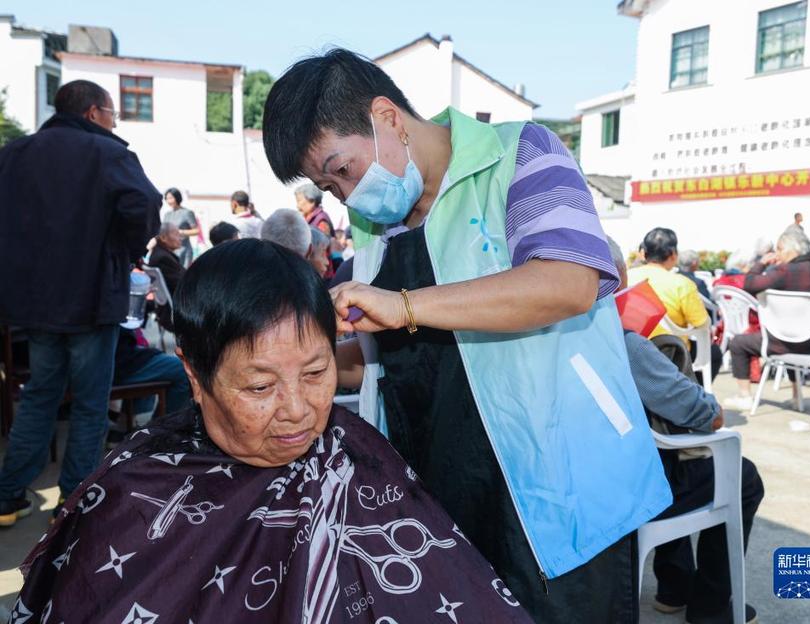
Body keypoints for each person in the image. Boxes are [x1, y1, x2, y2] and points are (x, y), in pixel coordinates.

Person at [262, 48, 671, 622]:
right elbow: (385, 361)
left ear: (387, 117)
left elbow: (570, 280)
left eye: (343, 170)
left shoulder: (520, 153)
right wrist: (303, 358)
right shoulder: (374, 228)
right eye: (329, 187)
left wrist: (405, 305)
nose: (347, 196)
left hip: (553, 485)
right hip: (438, 491)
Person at [11, 240, 534, 623]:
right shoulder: (133, 490)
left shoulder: (362, 458)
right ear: (195, 377)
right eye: (259, 388)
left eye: (315, 374)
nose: (298, 411)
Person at [0, 79, 161, 527]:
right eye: (113, 114)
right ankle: (72, 501)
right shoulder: (107, 153)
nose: (114, 123)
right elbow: (144, 203)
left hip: (34, 304)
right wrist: (125, 250)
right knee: (91, 403)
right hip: (91, 297)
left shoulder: (13, 155)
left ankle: (7, 497)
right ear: (93, 112)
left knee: (38, 396)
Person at [610, 239, 763, 624]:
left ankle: (674, 587)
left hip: (584, 481)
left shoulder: (540, 338)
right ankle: (711, 608)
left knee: (666, 456)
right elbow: (703, 414)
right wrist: (713, 409)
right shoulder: (622, 343)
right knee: (741, 476)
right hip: (632, 491)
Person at [724, 230, 810, 411]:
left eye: (780, 250)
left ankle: (745, 396)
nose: (778, 254)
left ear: (790, 250)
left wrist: (761, 264)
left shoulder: (783, 272)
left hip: (779, 343)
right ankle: (796, 395)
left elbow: (749, 284)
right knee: (794, 335)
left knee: (738, 343)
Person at [628, 228, 722, 380]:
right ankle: (694, 392)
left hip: (632, 348)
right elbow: (703, 323)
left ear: (644, 253)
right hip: (672, 353)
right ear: (673, 254)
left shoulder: (628, 277)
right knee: (715, 353)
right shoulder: (682, 284)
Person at [112, 327, 192, 417]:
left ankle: (138, 421)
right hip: (116, 361)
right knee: (183, 369)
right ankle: (164, 426)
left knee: (148, 356)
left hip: (122, 352)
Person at [148, 223, 186, 331]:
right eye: (177, 234)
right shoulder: (162, 258)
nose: (180, 238)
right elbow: (183, 284)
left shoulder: (160, 254)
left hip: (170, 310)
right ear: (163, 238)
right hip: (174, 313)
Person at [162, 187, 198, 268]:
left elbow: (196, 231)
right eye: (167, 199)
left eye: (171, 198)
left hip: (183, 250)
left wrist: (180, 232)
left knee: (182, 276)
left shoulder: (187, 213)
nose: (169, 201)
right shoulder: (167, 214)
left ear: (177, 197)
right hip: (169, 251)